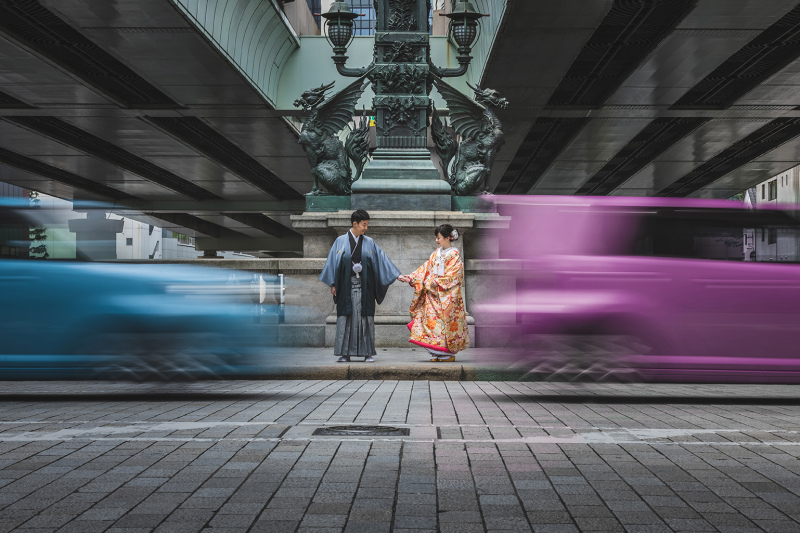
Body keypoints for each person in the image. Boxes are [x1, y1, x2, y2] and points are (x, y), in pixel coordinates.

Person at [320, 209, 400, 362]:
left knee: (365, 318)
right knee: (346, 317)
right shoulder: (340, 241)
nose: (366, 228)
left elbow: (383, 260)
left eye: (367, 225)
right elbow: (332, 262)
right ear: (354, 224)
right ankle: (345, 353)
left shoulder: (369, 242)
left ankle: (367, 352)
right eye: (364, 225)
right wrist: (332, 283)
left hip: (365, 286)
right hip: (345, 285)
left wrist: (397, 275)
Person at [398, 224, 468, 362]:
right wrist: (411, 277)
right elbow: (425, 269)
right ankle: (436, 351)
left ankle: (448, 353)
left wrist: (440, 282)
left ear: (448, 237)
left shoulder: (454, 255)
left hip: (446, 296)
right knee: (432, 324)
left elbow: (456, 274)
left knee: (445, 324)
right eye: (436, 238)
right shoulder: (436, 253)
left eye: (439, 238)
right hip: (432, 295)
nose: (437, 240)